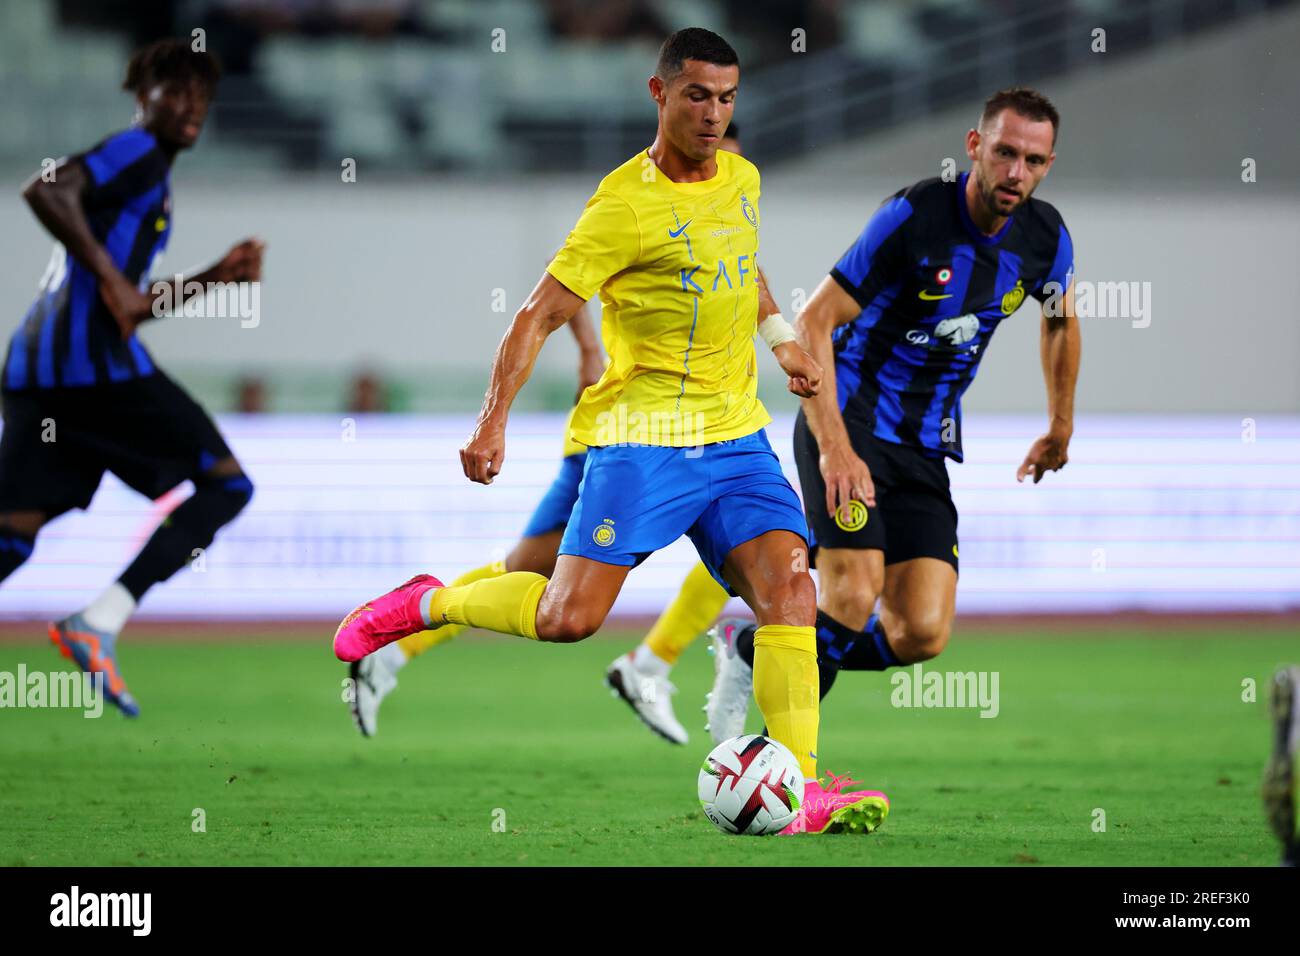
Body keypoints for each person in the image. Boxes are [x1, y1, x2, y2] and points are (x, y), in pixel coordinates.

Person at [334, 28, 888, 835]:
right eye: (697, 94)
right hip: (643, 440)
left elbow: (748, 269)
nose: (713, 113)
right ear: (659, 94)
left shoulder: (742, 179)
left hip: (736, 439)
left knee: (791, 595)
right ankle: (433, 603)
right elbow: (537, 314)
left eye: (727, 98)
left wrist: (785, 344)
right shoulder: (622, 205)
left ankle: (800, 792)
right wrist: (492, 423)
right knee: (569, 618)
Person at [705, 87, 1081, 740]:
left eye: (1035, 161)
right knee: (851, 595)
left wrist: (1061, 424)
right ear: (975, 146)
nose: (1018, 172)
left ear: (1049, 163)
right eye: (1006, 153)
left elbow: (1059, 320)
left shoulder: (1045, 238)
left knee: (921, 633)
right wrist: (834, 447)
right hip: (846, 424)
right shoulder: (913, 217)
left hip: (923, 447)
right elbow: (816, 319)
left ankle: (758, 649)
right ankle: (779, 768)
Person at [0, 39, 263, 716]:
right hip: (90, 375)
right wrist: (115, 278)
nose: (189, 105)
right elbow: (46, 186)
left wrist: (215, 278)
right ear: (141, 99)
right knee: (226, 484)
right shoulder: (137, 153)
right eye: (172, 91)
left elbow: (131, 308)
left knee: (15, 529)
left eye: (199, 94)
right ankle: (98, 622)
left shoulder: (151, 184)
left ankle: (96, 624)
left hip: (45, 373)